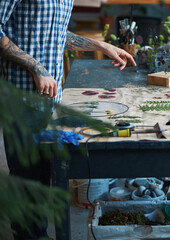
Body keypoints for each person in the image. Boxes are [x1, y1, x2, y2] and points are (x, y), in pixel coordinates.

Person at [0, 1, 136, 239]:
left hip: (51, 100)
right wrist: (36, 67)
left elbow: (55, 34)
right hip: (20, 97)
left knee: (43, 179)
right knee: (26, 179)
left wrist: (100, 46)